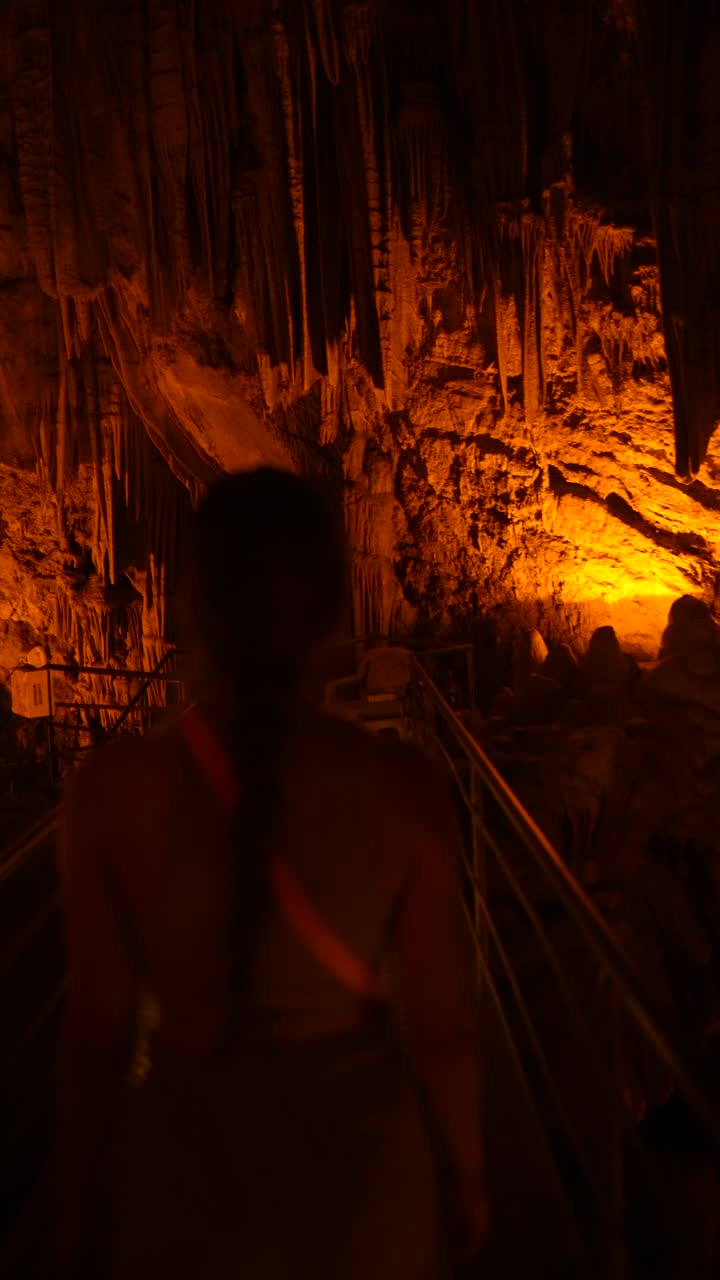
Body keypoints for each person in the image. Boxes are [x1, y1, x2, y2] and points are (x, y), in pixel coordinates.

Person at [56, 466, 489, 1278]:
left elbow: (98, 1032)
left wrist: (82, 1201)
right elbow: (445, 1028)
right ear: (331, 613)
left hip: (186, 1195)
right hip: (363, 1198)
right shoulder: (405, 792)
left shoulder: (111, 794)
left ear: (193, 609)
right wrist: (465, 1178)